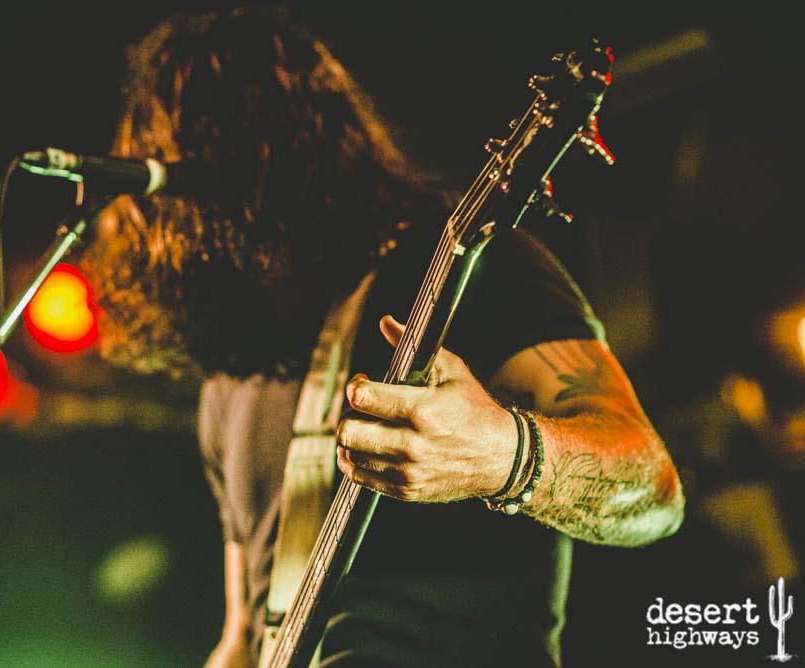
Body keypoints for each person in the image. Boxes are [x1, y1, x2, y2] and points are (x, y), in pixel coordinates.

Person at [81, 8, 685, 667]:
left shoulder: (469, 271)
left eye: (219, 139)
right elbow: (243, 636)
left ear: (289, 142)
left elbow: (653, 489)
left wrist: (502, 456)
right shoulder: (230, 380)